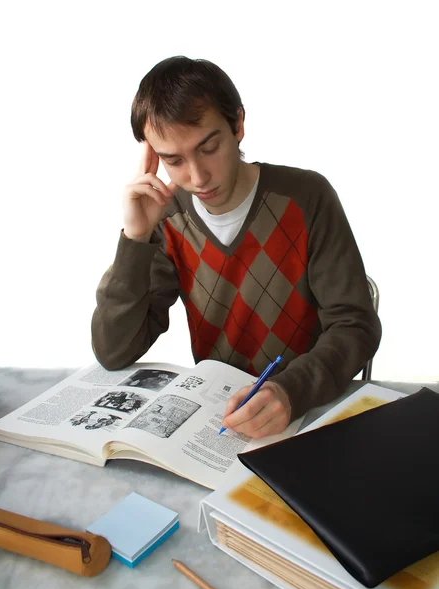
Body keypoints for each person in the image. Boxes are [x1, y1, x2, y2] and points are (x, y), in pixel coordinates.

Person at [91, 56, 381, 439]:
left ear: (238, 124)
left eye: (208, 148)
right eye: (173, 160)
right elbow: (114, 351)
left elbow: (355, 325)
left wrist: (291, 389)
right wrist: (135, 240)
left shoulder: (306, 198)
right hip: (222, 420)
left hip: (307, 414)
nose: (197, 177)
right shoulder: (166, 216)